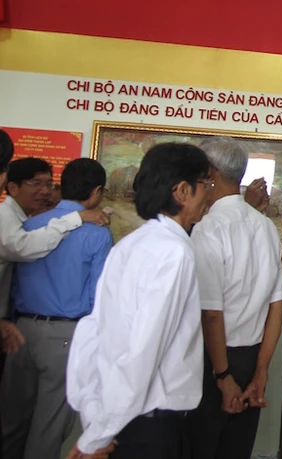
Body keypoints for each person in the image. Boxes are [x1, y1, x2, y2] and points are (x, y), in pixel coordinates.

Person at [66, 142, 212, 459]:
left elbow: (93, 331)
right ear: (182, 191)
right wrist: (97, 437)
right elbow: (143, 351)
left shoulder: (130, 244)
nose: (209, 195)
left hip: (118, 414)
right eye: (206, 184)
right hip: (149, 425)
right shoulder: (174, 253)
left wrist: (95, 420)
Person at [1, 159, 113, 459]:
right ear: (97, 191)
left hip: (20, 331)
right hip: (65, 337)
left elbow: (12, 282)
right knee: (48, 428)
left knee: (11, 421)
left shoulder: (29, 225)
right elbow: (98, 296)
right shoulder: (98, 232)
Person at [186, 137, 282, 459]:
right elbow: (277, 305)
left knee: (200, 448)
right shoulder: (265, 227)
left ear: (210, 173)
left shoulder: (208, 229)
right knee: (237, 450)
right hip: (252, 359)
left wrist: (222, 375)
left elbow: (211, 314)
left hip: (214, 361)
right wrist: (261, 371)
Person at [0, 155, 109, 329]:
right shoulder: (98, 231)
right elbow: (99, 290)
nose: (45, 191)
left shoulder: (28, 224)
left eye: (49, 184)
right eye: (36, 183)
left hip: (21, 326)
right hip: (67, 330)